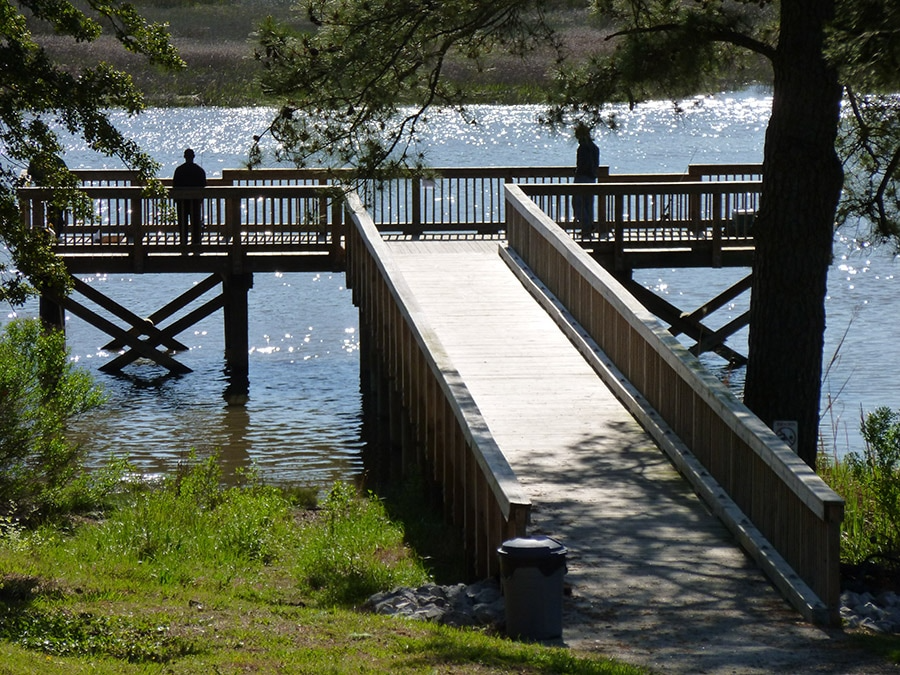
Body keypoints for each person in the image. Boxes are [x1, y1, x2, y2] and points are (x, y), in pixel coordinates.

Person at [172, 148, 207, 250]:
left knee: (182, 223)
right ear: (193, 157)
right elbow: (204, 186)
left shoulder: (179, 170)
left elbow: (175, 186)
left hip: (181, 202)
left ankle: (183, 242)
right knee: (196, 222)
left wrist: (176, 199)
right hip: (195, 201)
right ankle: (196, 243)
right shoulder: (200, 171)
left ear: (184, 157)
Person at [573, 123, 599, 239]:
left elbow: (583, 164)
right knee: (588, 204)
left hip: (582, 177)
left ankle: (586, 226)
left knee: (577, 203)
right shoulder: (594, 147)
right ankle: (587, 227)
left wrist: (578, 172)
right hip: (592, 178)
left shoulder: (583, 148)